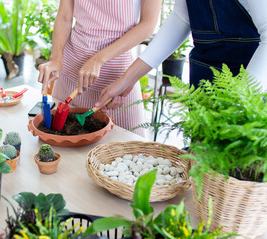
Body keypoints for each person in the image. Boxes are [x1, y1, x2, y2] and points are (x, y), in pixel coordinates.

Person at [96, 0, 267, 110]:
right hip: (204, 76)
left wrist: (238, 102)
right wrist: (127, 80)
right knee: (200, 159)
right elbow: (181, 18)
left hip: (250, 85)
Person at [37, 0, 161, 137]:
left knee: (130, 149)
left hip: (117, 80)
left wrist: (98, 59)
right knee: (64, 147)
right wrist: (56, 59)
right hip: (70, 75)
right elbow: (65, 16)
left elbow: (147, 25)